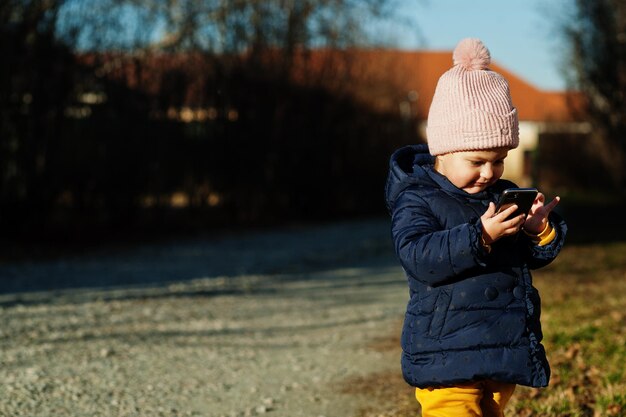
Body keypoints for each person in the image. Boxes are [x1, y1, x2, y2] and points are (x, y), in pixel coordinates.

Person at [384, 38, 567, 417]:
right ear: (443, 150)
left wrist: (537, 231)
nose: (489, 172)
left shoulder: (502, 195)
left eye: (499, 159)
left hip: (501, 345)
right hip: (444, 353)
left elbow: (529, 259)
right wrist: (479, 237)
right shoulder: (417, 197)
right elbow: (417, 255)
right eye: (477, 160)